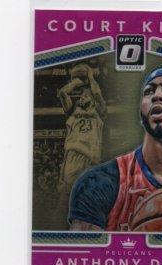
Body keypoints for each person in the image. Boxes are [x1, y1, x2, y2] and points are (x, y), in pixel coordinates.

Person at [69, 65, 162, 232]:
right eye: (149, 92)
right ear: (141, 115)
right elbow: (84, 248)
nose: (157, 95)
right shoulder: (99, 183)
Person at [55, 63, 106, 227]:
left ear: (91, 100)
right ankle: (57, 226)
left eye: (84, 96)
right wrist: (76, 82)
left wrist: (90, 77)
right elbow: (63, 93)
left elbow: (97, 94)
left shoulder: (99, 113)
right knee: (66, 196)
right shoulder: (72, 111)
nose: (80, 98)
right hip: (73, 156)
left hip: (91, 158)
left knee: (90, 198)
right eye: (81, 97)